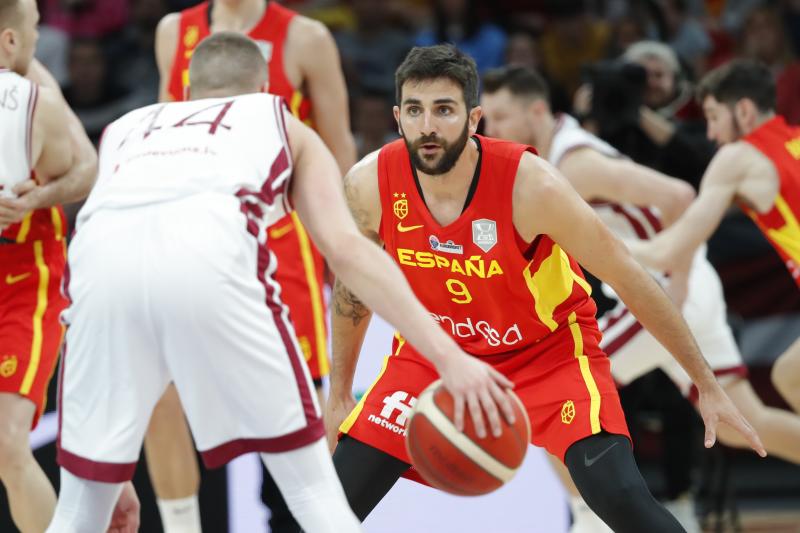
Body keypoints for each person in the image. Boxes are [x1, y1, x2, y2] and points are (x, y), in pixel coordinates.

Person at [45, 32, 515, 533]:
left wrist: (113, 472)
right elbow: (349, 250)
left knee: (79, 510)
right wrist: (449, 358)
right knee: (313, 492)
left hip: (94, 286)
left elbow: (129, 254)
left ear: (185, 90)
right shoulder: (275, 118)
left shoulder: (124, 129)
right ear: (266, 87)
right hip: (209, 269)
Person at [317, 44, 764, 533]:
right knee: (328, 509)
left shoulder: (532, 186)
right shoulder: (368, 184)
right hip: (436, 358)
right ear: (398, 117)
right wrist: (339, 392)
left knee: (622, 500)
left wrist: (705, 380)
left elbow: (627, 275)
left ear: (473, 119)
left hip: (547, 354)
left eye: (444, 110)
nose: (428, 126)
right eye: (416, 110)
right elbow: (352, 285)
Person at [481, 64, 800, 533]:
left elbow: (677, 193)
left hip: (661, 291)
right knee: (741, 420)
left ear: (535, 110)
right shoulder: (552, 155)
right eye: (487, 118)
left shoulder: (574, 164)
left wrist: (679, 277)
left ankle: (590, 521)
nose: (492, 130)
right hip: (673, 288)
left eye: (502, 117)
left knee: (550, 391)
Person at [149, 1, 356, 530]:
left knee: (299, 418)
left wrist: (349, 245)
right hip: (192, 244)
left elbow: (339, 148)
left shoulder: (305, 37)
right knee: (167, 399)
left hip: (281, 244)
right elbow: (161, 141)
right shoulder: (175, 30)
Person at [630, 58, 800, 417]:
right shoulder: (794, 140)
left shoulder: (739, 155)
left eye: (713, 117)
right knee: (790, 374)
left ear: (743, 110)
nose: (710, 133)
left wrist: (591, 241)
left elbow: (668, 252)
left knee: (790, 376)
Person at [0, 0, 113, 531]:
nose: (41, 36)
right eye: (36, 27)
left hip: (24, 273)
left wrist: (35, 199)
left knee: (7, 444)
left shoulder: (31, 88)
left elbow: (87, 171)